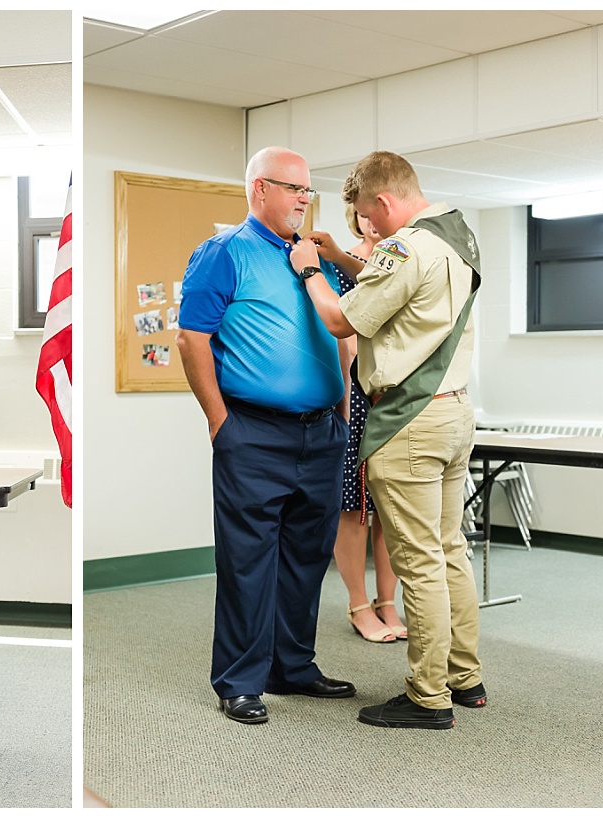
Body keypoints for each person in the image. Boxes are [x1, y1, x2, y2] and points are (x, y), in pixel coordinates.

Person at [292, 150, 484, 730]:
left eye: (368, 219)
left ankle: (428, 697)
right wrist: (341, 256)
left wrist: (309, 268)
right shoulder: (456, 235)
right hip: (453, 415)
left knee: (418, 561)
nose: (369, 231)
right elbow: (397, 290)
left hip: (409, 423)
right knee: (449, 551)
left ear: (384, 201)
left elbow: (342, 320)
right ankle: (464, 677)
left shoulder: (404, 247)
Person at [175, 146, 355, 726]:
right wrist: (218, 421)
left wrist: (344, 407)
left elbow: (346, 328)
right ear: (260, 190)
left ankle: (292, 667)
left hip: (321, 433)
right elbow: (191, 340)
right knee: (249, 559)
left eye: (308, 190)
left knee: (307, 557)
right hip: (252, 432)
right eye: (293, 188)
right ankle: (240, 681)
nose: (305, 198)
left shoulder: (315, 257)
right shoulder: (225, 253)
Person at [333, 204, 407, 644]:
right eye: (360, 213)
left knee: (389, 509)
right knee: (354, 507)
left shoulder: (402, 261)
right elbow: (341, 332)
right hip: (356, 393)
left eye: (373, 212)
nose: (368, 221)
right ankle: (359, 604)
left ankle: (387, 601)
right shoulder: (342, 263)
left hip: (395, 394)